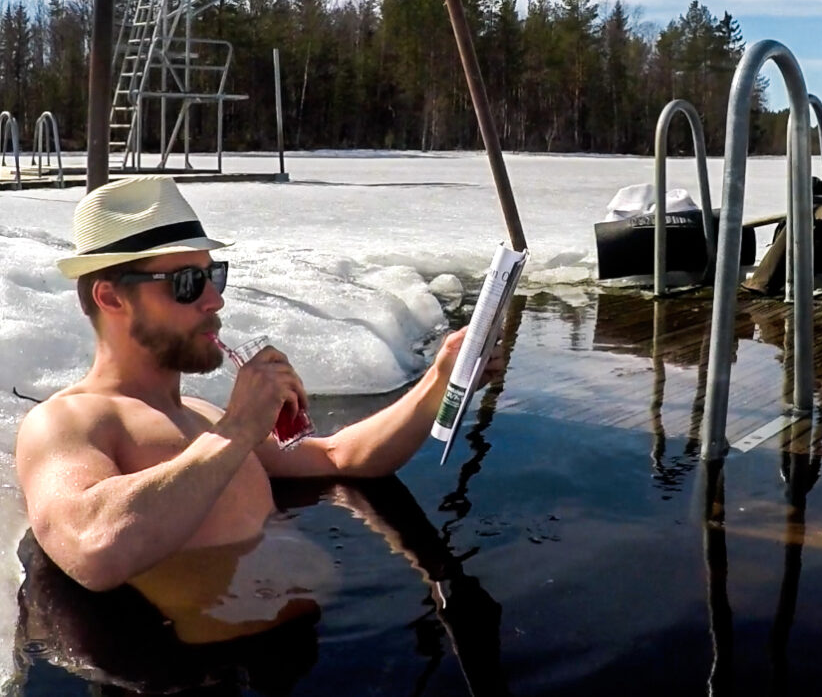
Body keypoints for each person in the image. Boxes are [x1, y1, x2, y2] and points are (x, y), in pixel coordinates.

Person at [15, 174, 491, 597]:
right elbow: (93, 549)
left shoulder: (199, 414)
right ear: (110, 297)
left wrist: (439, 377)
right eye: (186, 282)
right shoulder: (65, 421)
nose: (214, 298)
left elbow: (338, 457)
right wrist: (238, 428)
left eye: (213, 274)